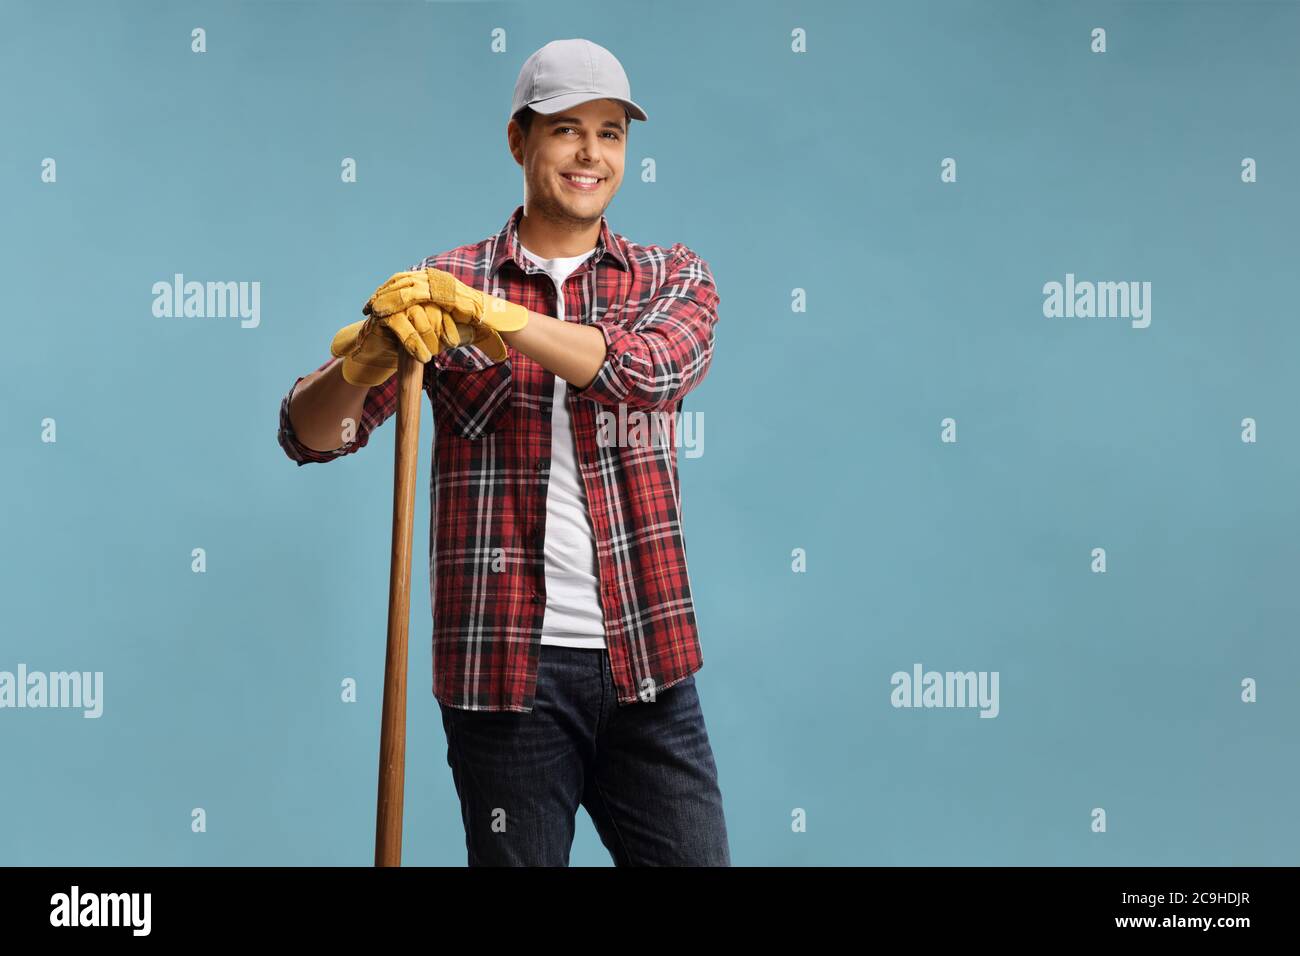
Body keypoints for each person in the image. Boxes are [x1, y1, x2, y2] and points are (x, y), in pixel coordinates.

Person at [276, 38, 729, 867]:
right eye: (566, 130)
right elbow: (310, 436)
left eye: (611, 133)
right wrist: (365, 361)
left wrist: (498, 318)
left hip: (648, 662)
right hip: (501, 677)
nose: (591, 153)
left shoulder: (672, 278)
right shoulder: (437, 285)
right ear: (519, 141)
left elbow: (647, 372)